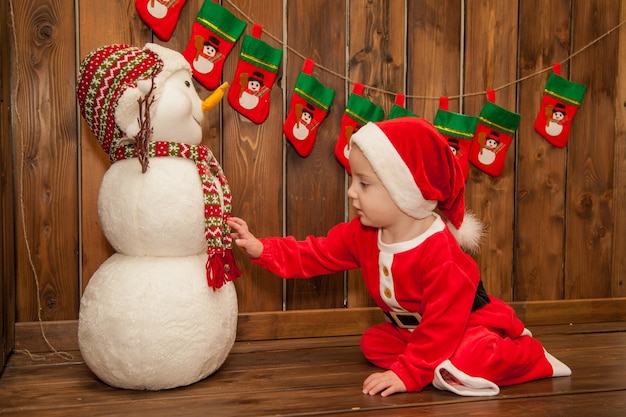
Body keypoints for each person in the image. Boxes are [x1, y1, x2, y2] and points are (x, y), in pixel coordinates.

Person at [227, 117, 571, 397]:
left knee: (470, 356)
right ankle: (435, 363)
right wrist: (263, 249)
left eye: (364, 184)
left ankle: (530, 354)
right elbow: (316, 252)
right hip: (417, 331)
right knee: (373, 342)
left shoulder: (440, 254)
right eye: (353, 181)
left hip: (468, 324)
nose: (351, 192)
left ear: (404, 192)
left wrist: (408, 373)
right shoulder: (362, 233)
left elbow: (442, 323)